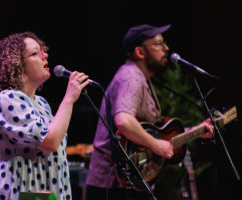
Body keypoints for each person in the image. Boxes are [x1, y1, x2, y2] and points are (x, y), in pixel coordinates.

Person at [85, 24, 214, 200]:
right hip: (114, 185)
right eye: (159, 44)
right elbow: (123, 121)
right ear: (140, 52)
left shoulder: (140, 78)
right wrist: (155, 144)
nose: (166, 48)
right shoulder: (131, 77)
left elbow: (153, 133)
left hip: (128, 182)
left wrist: (196, 132)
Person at [0, 32, 91, 200]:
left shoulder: (41, 103)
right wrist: (69, 99)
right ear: (16, 66)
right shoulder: (6, 99)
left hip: (42, 192)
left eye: (43, 50)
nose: (45, 55)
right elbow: (50, 141)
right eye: (35, 53)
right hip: (19, 190)